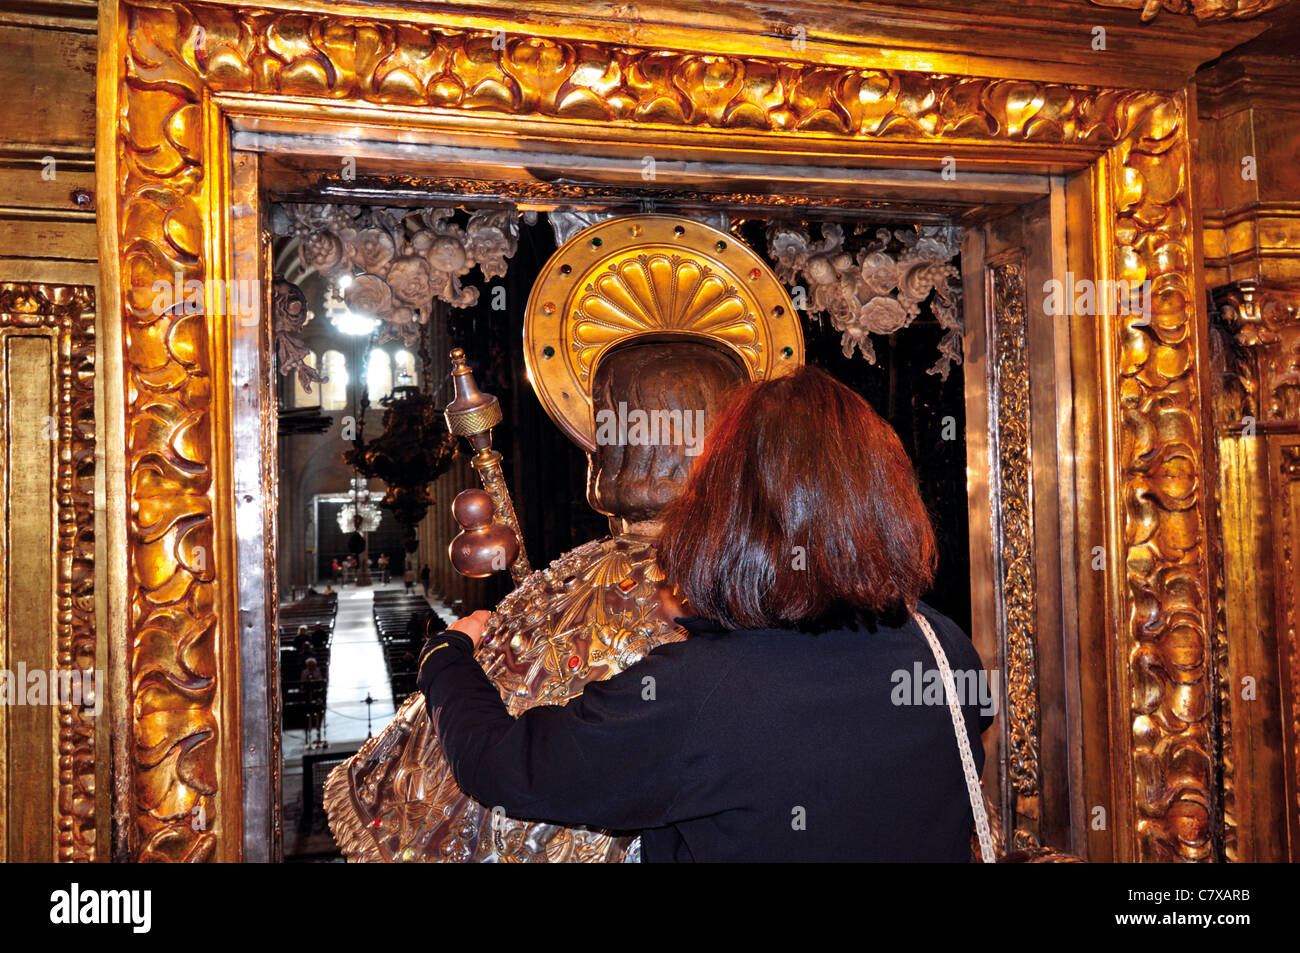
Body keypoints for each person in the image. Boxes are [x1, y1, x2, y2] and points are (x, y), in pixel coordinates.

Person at [418, 365, 990, 862]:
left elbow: (507, 767)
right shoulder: (941, 644)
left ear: (725, 516)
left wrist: (447, 658)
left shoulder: (698, 693)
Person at [301, 656, 326, 749]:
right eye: (309, 665)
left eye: (312, 665)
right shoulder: (304, 672)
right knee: (309, 712)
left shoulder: (317, 671)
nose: (311, 666)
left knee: (318, 710)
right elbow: (302, 683)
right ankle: (309, 728)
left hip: (316, 695)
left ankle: (318, 727)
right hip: (308, 695)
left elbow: (320, 681)